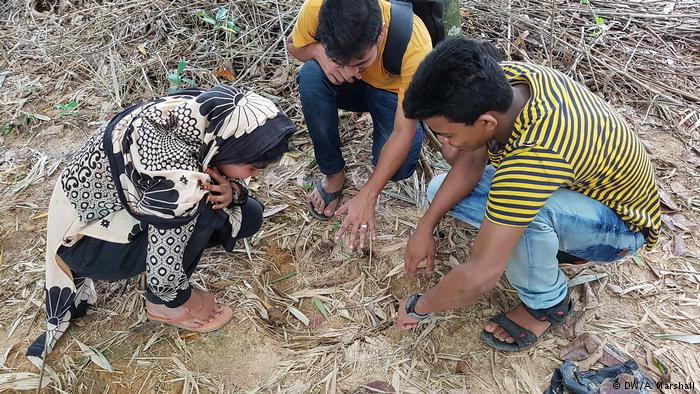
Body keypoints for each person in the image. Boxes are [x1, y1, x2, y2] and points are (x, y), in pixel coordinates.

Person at [395, 38, 661, 352]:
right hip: (580, 192)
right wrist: (425, 227)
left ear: (486, 122)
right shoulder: (503, 81)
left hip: (622, 226)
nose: (445, 144)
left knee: (526, 216)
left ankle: (548, 305)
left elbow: (480, 277)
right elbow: (470, 159)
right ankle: (554, 246)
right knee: (441, 189)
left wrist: (420, 306)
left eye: (448, 134)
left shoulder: (534, 159)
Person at [27, 85, 296, 358]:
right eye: (252, 168)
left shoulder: (197, 113)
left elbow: (234, 194)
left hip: (95, 215)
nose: (256, 175)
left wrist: (234, 191)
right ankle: (162, 307)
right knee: (207, 207)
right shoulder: (181, 181)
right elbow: (163, 273)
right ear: (231, 148)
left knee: (247, 214)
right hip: (82, 244)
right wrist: (177, 296)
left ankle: (178, 244)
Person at [287, 0, 432, 250]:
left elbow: (402, 130)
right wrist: (321, 54)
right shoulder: (318, 8)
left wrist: (368, 195)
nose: (352, 70)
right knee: (311, 76)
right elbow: (294, 45)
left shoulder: (414, 44)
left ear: (381, 32)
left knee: (399, 168)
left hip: (391, 92)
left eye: (361, 60)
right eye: (341, 59)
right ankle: (333, 174)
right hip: (346, 88)